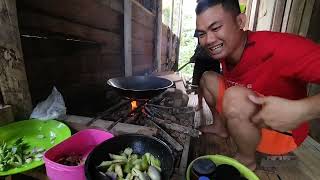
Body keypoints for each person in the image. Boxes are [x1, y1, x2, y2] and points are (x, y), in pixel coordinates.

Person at [195, 0, 320, 170]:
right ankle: (221, 128)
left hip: (283, 133)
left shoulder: (279, 48)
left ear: (240, 22)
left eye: (216, 28)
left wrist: (302, 110)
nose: (208, 40)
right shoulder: (228, 49)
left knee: (235, 98)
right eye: (202, 33)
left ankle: (247, 159)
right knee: (208, 78)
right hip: (251, 118)